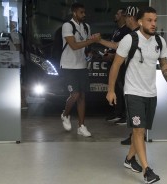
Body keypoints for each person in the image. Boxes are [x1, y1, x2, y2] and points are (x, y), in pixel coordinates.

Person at [106, 6, 167, 184]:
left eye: (155, 20)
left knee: (141, 130)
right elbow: (116, 65)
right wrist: (110, 90)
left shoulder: (159, 42)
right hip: (133, 92)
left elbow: (164, 66)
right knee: (138, 130)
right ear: (140, 21)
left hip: (151, 93)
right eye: (149, 20)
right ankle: (147, 170)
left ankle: (129, 159)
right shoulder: (129, 40)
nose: (153, 24)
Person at [60, 2, 100, 136]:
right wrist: (93, 40)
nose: (84, 15)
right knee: (75, 94)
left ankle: (81, 126)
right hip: (68, 66)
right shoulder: (67, 25)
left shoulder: (86, 27)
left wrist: (89, 52)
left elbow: (85, 47)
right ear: (74, 13)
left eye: (84, 12)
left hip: (82, 66)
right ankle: (65, 114)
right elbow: (74, 45)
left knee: (82, 96)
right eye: (81, 12)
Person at [104, 8, 131, 125]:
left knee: (124, 89)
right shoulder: (117, 30)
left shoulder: (127, 31)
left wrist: (113, 55)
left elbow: (124, 49)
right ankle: (118, 112)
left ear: (124, 16)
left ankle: (126, 115)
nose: (115, 15)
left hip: (122, 65)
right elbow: (114, 45)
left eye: (117, 13)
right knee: (118, 90)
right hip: (113, 63)